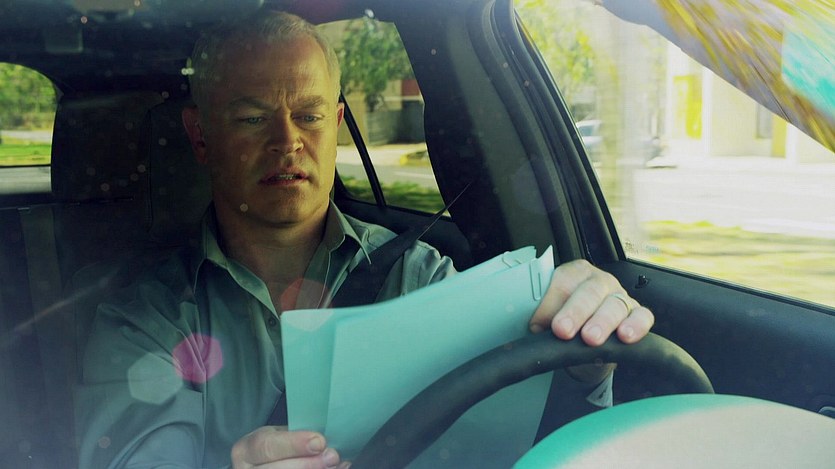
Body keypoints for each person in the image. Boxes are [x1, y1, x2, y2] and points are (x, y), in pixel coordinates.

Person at [75, 10, 654, 469]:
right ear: (201, 137)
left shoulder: (422, 278)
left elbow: (525, 442)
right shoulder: (146, 321)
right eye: (252, 118)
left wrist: (584, 365)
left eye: (309, 115)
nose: (287, 140)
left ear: (336, 126)